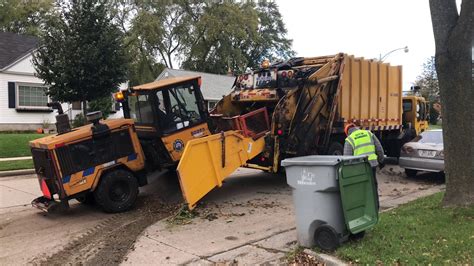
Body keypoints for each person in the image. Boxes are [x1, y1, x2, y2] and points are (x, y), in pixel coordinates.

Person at [343, 123, 384, 210]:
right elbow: (379, 149)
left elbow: (347, 159)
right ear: (356, 128)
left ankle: (364, 209)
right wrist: (381, 161)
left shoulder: (349, 139)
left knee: (361, 188)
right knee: (373, 186)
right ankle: (376, 208)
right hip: (372, 165)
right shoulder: (369, 133)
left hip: (359, 168)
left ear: (347, 132)